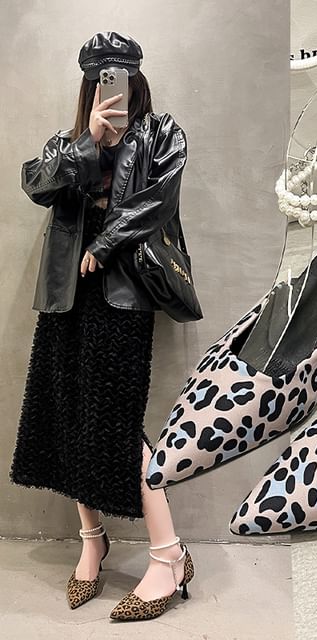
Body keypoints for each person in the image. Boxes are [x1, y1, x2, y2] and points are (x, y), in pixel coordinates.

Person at [9, 32, 194, 622]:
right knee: (67, 414)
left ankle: (169, 555)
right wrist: (88, 143)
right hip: (66, 293)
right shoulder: (68, 143)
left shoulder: (163, 133)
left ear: (136, 80)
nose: (110, 88)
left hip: (122, 289)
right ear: (88, 86)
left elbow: (158, 202)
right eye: (99, 79)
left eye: (119, 77)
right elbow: (36, 184)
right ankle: (93, 542)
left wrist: (106, 242)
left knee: (113, 420)